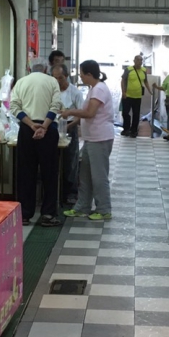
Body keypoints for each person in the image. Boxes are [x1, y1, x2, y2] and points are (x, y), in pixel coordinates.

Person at [9, 62, 63, 227]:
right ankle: (48, 214)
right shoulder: (52, 81)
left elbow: (14, 107)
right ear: (46, 69)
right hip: (48, 129)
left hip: (27, 129)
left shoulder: (21, 82)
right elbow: (55, 106)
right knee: (49, 173)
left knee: (26, 173)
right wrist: (44, 127)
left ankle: (25, 215)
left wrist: (32, 125)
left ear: (29, 69)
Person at [62, 60, 115, 221]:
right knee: (84, 176)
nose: (80, 77)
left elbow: (90, 113)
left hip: (100, 138)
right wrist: (71, 122)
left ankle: (104, 209)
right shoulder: (94, 88)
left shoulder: (99, 89)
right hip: (91, 139)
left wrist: (70, 111)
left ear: (89, 74)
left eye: (82, 74)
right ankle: (82, 207)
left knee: (99, 176)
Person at [53, 63, 83, 204]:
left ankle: (71, 192)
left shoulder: (75, 93)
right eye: (55, 78)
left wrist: (68, 126)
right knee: (54, 161)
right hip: (54, 126)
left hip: (70, 127)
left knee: (71, 161)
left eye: (60, 78)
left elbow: (80, 114)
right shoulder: (52, 92)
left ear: (66, 76)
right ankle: (56, 192)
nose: (58, 81)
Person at [120, 54, 151, 138]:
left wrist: (149, 90)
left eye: (141, 60)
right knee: (125, 112)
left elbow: (146, 81)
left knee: (136, 114)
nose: (139, 62)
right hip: (127, 95)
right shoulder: (128, 69)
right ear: (134, 61)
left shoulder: (144, 70)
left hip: (138, 96)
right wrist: (123, 92)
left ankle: (134, 130)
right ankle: (126, 129)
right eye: (137, 60)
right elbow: (123, 81)